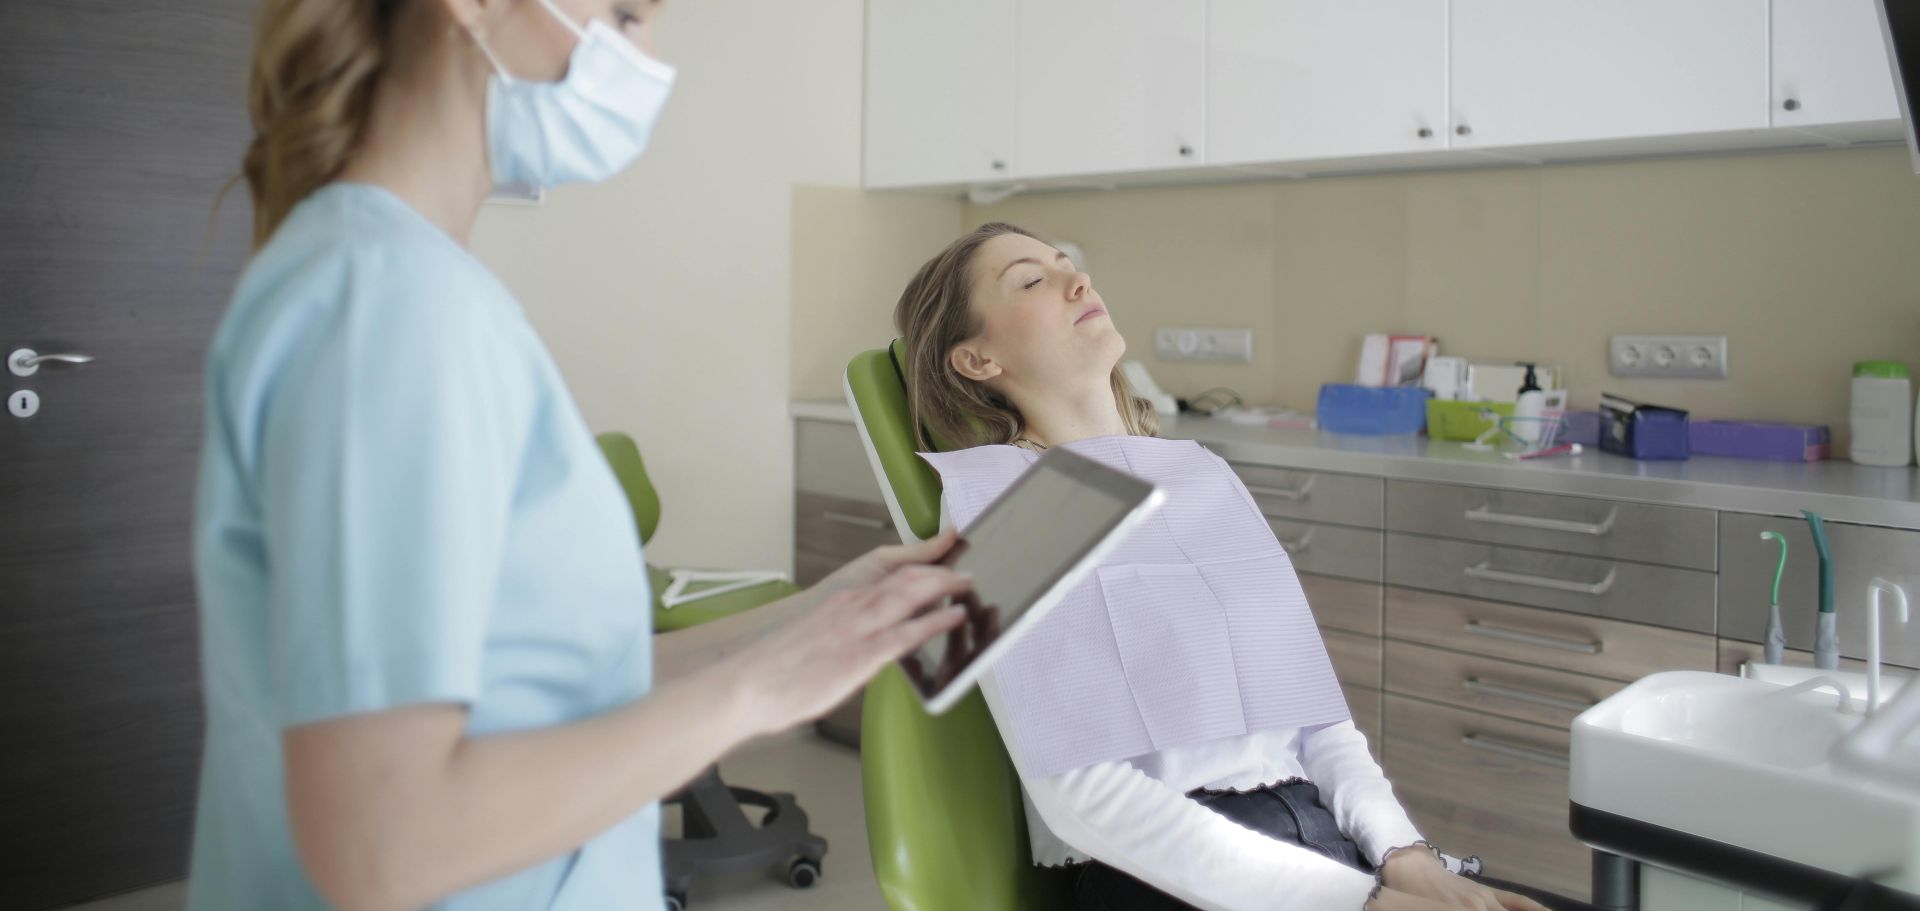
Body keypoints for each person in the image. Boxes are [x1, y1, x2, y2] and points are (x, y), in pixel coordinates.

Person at [188, 1, 971, 908]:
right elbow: (381, 843)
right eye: (627, 12)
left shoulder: (412, 284)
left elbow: (560, 683)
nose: (648, 58)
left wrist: (820, 616)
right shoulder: (388, 306)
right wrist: (756, 693)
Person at [894, 221, 1593, 911]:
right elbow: (1082, 799)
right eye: (1033, 279)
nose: (1079, 278)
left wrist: (1405, 858)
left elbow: (1318, 720)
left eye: (1066, 261)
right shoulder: (1003, 509)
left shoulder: (1201, 476)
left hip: (1325, 844)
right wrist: (1362, 901)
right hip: (1170, 875)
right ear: (977, 359)